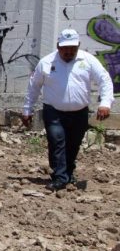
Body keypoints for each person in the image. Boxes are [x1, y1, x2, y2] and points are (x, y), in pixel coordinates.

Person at [22, 28, 114, 191]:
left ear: (78, 45)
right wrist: (27, 109)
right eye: (65, 48)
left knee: (73, 144)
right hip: (54, 111)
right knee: (57, 141)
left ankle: (68, 172)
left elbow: (104, 80)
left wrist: (105, 103)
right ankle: (60, 177)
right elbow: (34, 87)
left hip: (79, 112)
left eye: (72, 48)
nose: (69, 51)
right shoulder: (46, 62)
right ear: (58, 46)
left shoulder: (87, 60)